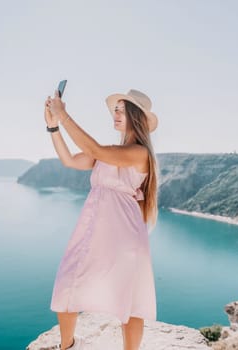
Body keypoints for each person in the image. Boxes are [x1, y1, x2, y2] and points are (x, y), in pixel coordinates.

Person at [43, 88, 159, 350]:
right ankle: (68, 345)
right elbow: (70, 160)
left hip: (124, 234)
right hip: (94, 229)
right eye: (115, 109)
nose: (115, 114)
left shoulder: (139, 153)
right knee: (67, 283)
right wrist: (53, 128)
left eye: (121, 109)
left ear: (136, 116)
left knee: (131, 301)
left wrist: (64, 114)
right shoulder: (111, 152)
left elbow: (93, 148)